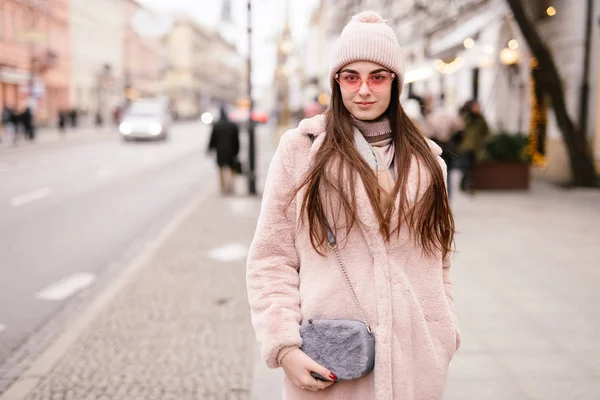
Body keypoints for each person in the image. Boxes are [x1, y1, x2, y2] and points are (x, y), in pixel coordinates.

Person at [246, 10, 459, 400]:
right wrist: (285, 347)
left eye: (377, 76)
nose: (364, 89)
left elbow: (439, 257)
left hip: (416, 363)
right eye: (351, 77)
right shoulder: (302, 151)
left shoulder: (429, 162)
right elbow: (271, 258)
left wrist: (443, 331)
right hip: (332, 363)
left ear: (395, 82)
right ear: (336, 82)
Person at [425, 104, 465, 197]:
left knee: (436, 173)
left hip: (436, 146)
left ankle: (438, 195)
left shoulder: (431, 117)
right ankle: (448, 196)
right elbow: (460, 131)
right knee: (448, 172)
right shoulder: (452, 116)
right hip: (449, 147)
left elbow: (428, 134)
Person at [458, 100, 490, 194]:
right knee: (466, 167)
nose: (477, 109)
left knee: (470, 167)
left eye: (478, 107)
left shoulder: (481, 119)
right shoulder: (466, 118)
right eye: (475, 107)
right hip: (465, 147)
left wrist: (484, 142)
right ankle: (469, 186)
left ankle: (465, 185)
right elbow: (459, 129)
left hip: (475, 147)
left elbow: (486, 131)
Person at [207, 106, 240, 195]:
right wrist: (237, 151)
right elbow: (236, 140)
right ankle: (231, 183)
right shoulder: (232, 125)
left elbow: (212, 139)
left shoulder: (217, 126)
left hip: (220, 152)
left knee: (221, 170)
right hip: (231, 151)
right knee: (232, 169)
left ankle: (223, 188)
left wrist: (209, 149)